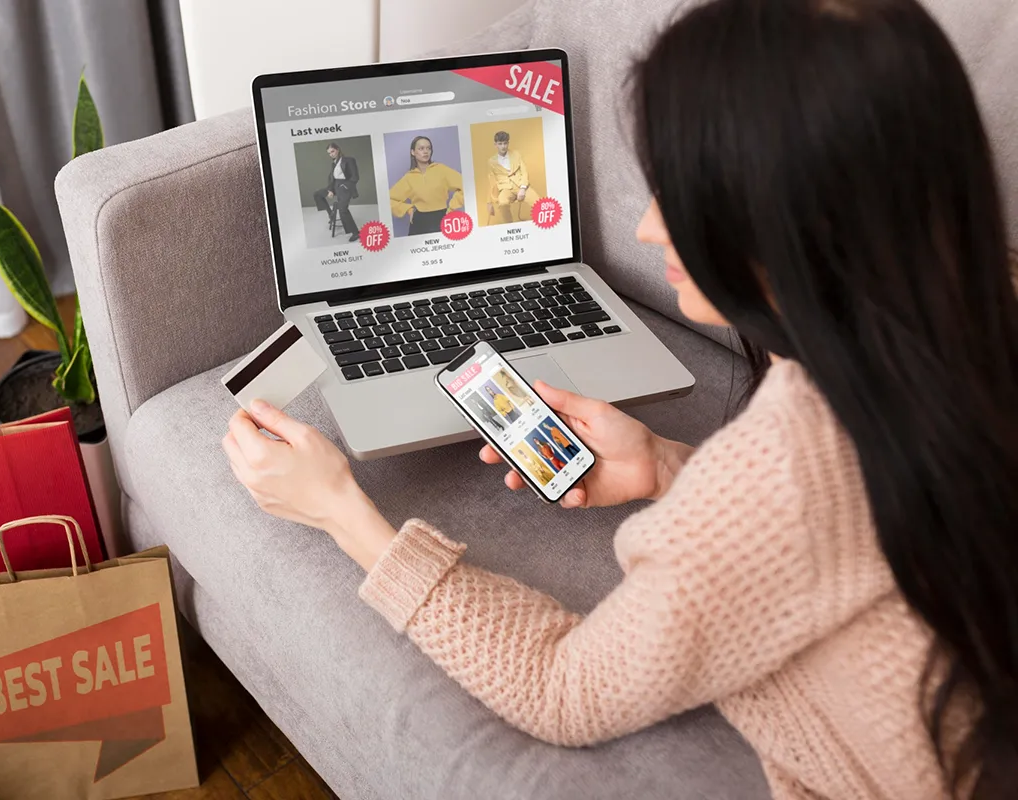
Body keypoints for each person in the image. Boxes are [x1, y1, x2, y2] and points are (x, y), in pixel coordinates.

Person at [222, 1, 1018, 797]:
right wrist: (670, 464)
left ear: (790, 220)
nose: (644, 228)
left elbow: (563, 690)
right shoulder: (981, 304)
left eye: (681, 192)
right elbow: (854, 529)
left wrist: (339, 511)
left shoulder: (781, 471)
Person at [389, 136, 464, 236]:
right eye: (421, 148)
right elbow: (389, 199)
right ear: (413, 152)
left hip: (442, 217)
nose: (426, 151)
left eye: (428, 148)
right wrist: (409, 210)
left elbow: (464, 185)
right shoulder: (409, 177)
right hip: (419, 222)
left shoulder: (442, 170)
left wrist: (451, 208)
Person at [485, 131, 541, 223]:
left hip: (521, 186)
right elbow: (491, 182)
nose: (503, 146)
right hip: (505, 189)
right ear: (495, 145)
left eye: (505, 143)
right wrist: (489, 202)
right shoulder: (491, 161)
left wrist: (523, 188)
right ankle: (509, 226)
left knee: (539, 204)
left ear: (508, 143)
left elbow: (524, 172)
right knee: (502, 203)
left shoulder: (516, 154)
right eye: (500, 144)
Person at [312, 142, 360, 243]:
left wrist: (344, 186)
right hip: (335, 186)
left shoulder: (349, 160)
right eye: (329, 153)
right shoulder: (334, 163)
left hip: (345, 187)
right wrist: (330, 190)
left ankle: (356, 233)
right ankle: (331, 215)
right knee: (317, 194)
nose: (331, 154)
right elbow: (332, 179)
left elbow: (355, 177)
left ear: (337, 149)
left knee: (343, 209)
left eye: (332, 151)